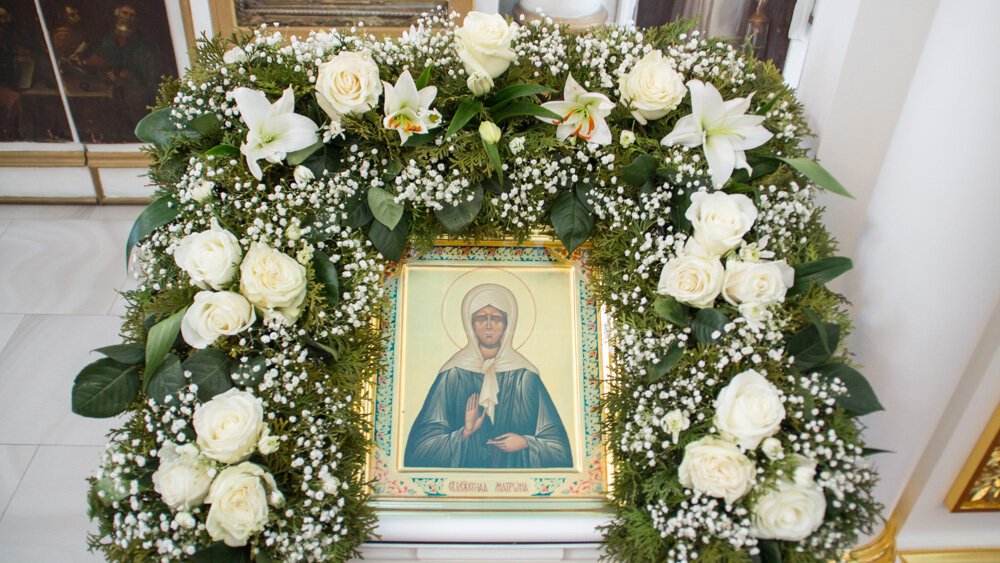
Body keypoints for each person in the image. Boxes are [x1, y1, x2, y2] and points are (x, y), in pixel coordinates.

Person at [404, 283, 573, 469]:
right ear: (470, 323)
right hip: (462, 482)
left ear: (508, 324)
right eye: (481, 318)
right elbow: (420, 449)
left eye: (497, 319)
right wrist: (465, 433)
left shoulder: (525, 377)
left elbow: (559, 449)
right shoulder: (453, 375)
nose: (489, 326)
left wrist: (525, 442)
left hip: (515, 479)